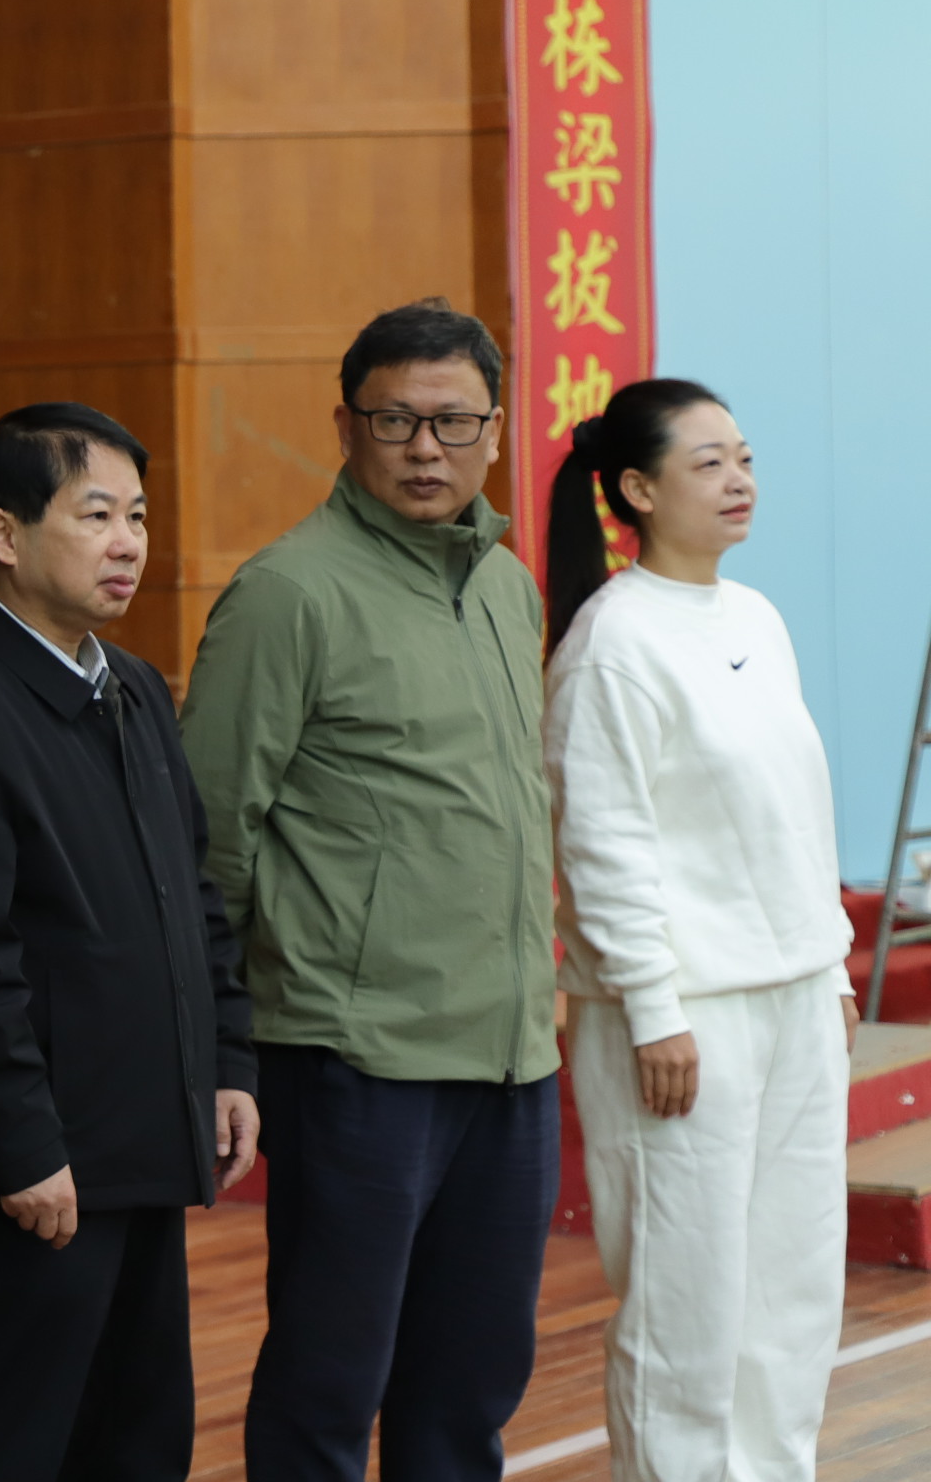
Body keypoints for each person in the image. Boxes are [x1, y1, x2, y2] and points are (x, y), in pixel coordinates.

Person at [180, 297, 559, 1482]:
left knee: (472, 1383)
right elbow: (210, 839)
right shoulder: (288, 593)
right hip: (357, 1060)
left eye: (455, 422)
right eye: (396, 420)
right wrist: (226, 1044)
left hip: (511, 1056)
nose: (426, 448)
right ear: (345, 426)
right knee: (330, 1381)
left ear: (497, 429)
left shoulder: (506, 587)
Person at [0, 403, 257, 1482]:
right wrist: (24, 1149)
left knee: (138, 1445)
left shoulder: (132, 688)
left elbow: (193, 892)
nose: (128, 543)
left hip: (145, 1146)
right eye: (96, 516)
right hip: (39, 1172)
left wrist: (227, 1062)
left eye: (137, 516)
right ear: (4, 533)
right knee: (12, 1448)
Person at [543, 380, 857, 1482]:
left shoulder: (756, 617)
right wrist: (653, 1008)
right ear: (636, 489)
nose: (739, 481)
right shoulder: (611, 643)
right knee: (687, 1305)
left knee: (792, 1289)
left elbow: (793, 809)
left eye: (745, 459)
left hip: (794, 996)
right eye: (709, 462)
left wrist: (832, 967)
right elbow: (603, 842)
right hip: (683, 1022)